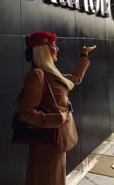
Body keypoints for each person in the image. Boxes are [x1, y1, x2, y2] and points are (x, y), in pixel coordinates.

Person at [18, 31, 96, 185]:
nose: (57, 48)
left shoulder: (51, 74)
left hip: (56, 142)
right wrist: (57, 118)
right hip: (47, 144)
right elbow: (25, 113)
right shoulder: (37, 75)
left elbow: (75, 79)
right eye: (53, 45)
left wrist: (84, 55)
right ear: (43, 50)